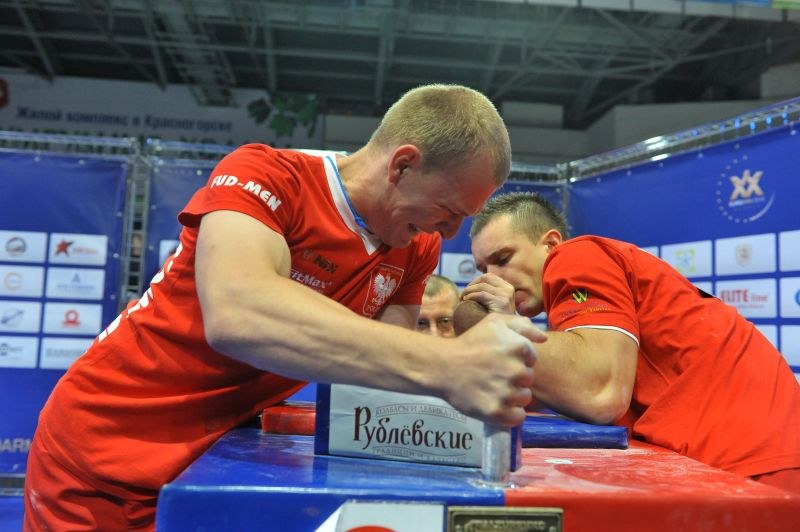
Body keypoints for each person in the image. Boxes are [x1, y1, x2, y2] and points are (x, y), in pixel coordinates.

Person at [23, 85, 545, 531]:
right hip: (102, 451)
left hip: (214, 464)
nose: (450, 234)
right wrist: (453, 365)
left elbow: (386, 370)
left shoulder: (417, 246)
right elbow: (238, 314)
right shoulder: (267, 176)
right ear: (402, 164)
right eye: (448, 211)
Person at [462, 191, 800, 493]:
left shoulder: (576, 255)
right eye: (482, 268)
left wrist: (499, 327)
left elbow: (601, 391)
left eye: (503, 259)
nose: (491, 278)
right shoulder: (574, 307)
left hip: (756, 464)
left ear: (550, 244)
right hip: (745, 457)